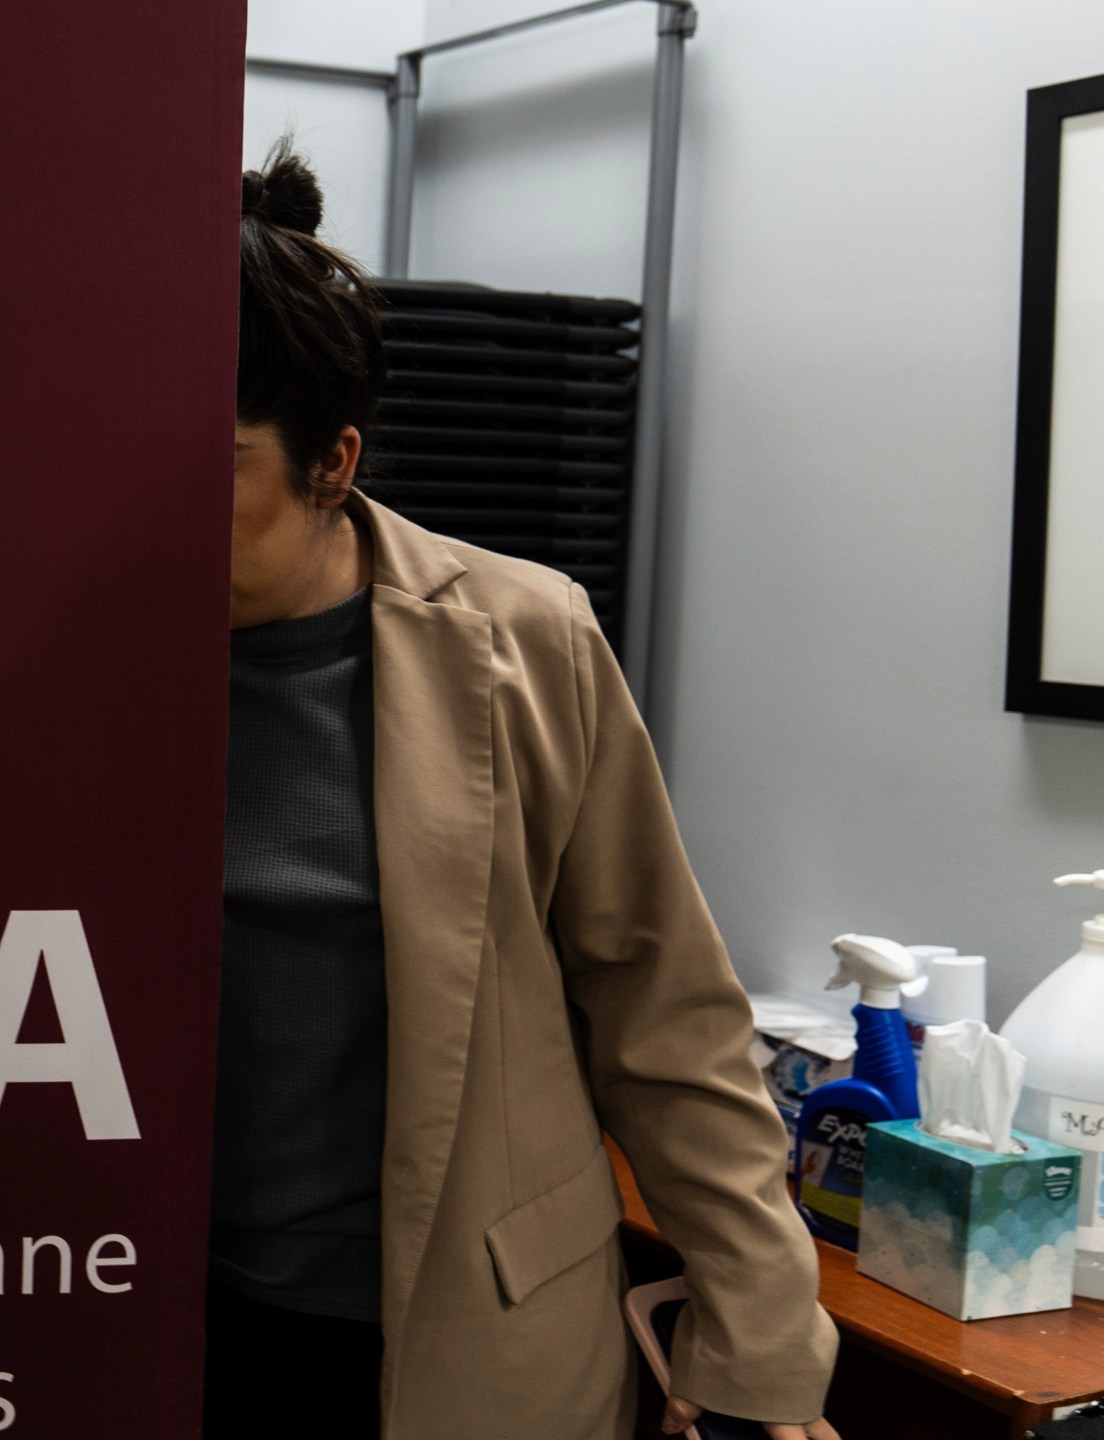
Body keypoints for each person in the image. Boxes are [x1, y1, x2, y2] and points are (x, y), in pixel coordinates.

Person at [209, 141, 841, 1440]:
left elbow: (662, 1009)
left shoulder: (523, 643)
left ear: (334, 461)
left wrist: (764, 1347)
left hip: (468, 1339)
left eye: (213, 476)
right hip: (163, 1316)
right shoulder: (82, 676)